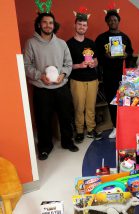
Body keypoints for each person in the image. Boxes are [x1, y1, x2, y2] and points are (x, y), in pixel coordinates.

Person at [24, 12, 78, 160]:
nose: (48, 25)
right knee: (43, 120)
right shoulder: (31, 43)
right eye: (45, 22)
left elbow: (68, 64)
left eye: (51, 23)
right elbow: (26, 65)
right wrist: (40, 76)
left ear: (54, 26)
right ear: (39, 24)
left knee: (66, 117)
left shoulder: (62, 43)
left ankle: (68, 142)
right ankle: (45, 147)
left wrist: (63, 75)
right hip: (42, 89)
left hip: (61, 88)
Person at [95, 6, 133, 139]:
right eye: (110, 20)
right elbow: (96, 56)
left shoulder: (125, 37)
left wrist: (126, 55)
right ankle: (115, 127)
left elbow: (130, 53)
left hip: (123, 75)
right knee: (112, 101)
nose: (112, 22)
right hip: (108, 75)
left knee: (126, 100)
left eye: (115, 20)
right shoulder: (101, 38)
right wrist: (105, 56)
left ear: (118, 21)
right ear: (107, 22)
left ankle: (126, 125)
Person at [67, 9, 102, 143]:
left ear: (87, 27)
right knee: (79, 107)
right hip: (77, 80)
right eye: (80, 24)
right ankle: (80, 130)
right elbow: (66, 66)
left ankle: (91, 129)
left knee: (90, 106)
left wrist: (94, 63)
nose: (82, 27)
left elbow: (97, 60)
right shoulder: (68, 44)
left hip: (92, 80)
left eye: (84, 25)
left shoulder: (91, 43)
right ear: (75, 25)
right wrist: (79, 65)